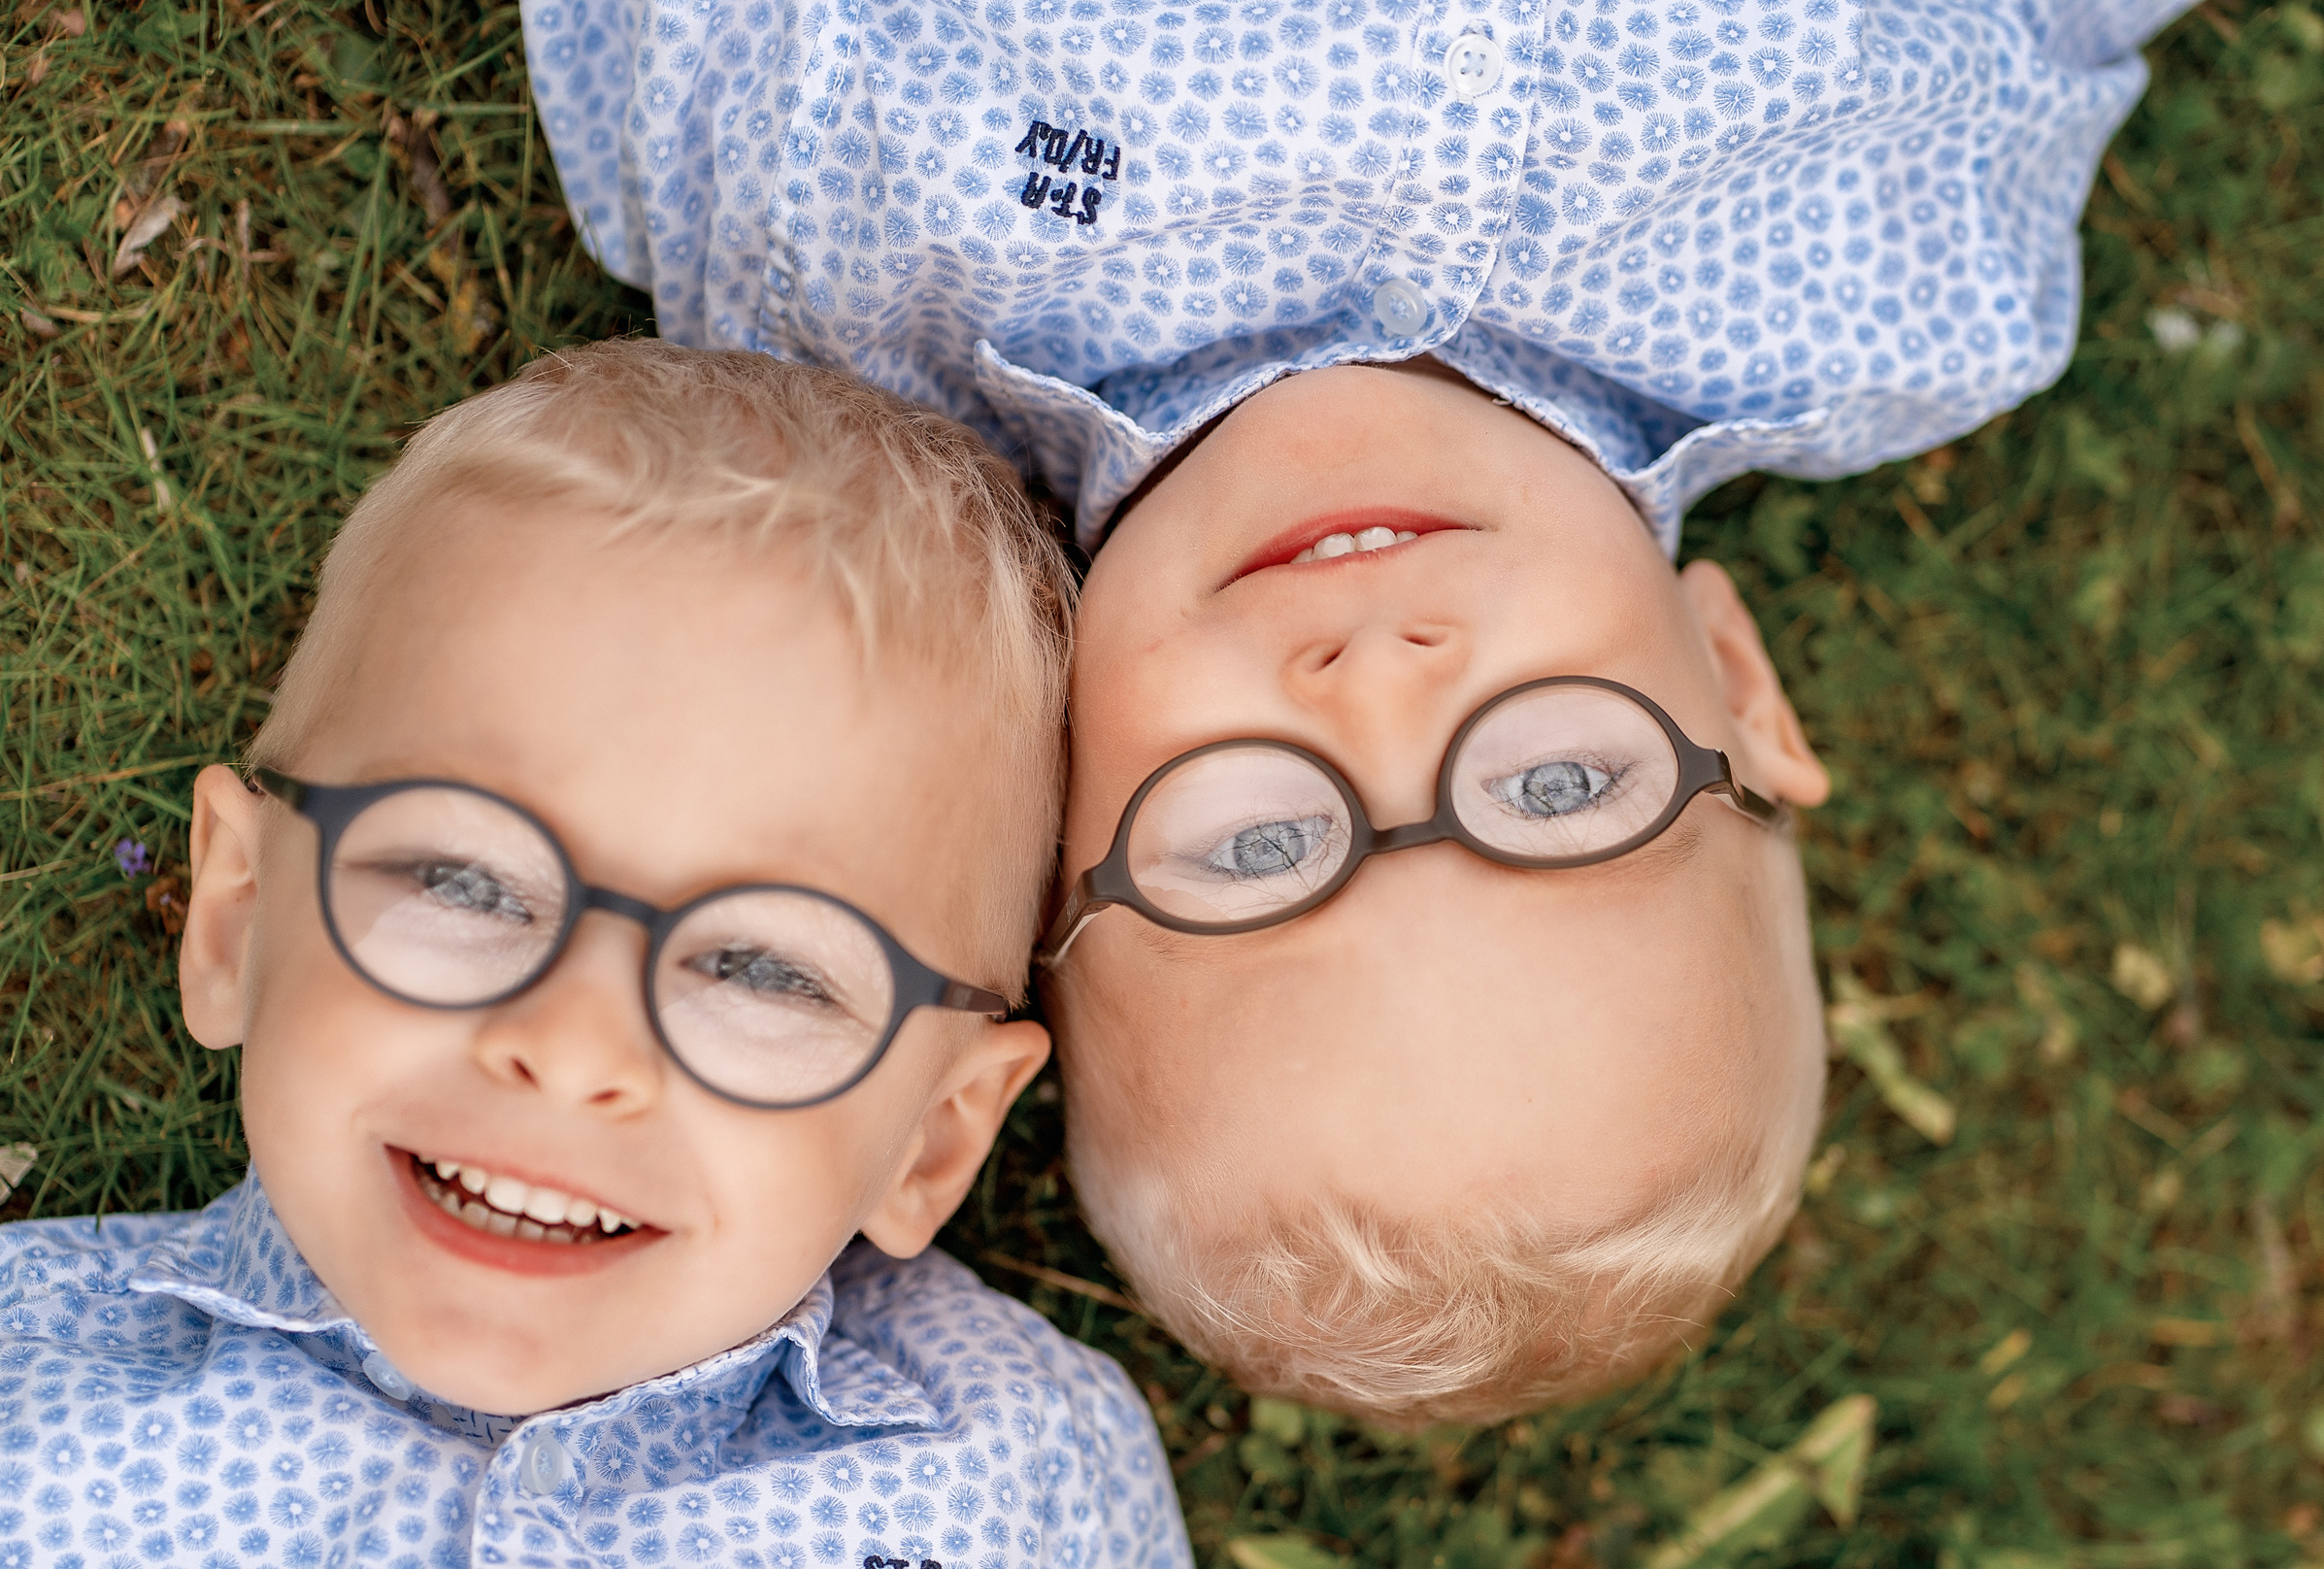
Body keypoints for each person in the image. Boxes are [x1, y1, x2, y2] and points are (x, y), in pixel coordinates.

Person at [523, 0, 2190, 1423]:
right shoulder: (1904, 285)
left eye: (1255, 840)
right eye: (1556, 787)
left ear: (1042, 832)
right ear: (1738, 691)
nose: (1379, 685)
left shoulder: (839, 254)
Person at [0, 342, 1231, 1569]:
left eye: (763, 968)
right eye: (462, 881)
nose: (569, 1052)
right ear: (237, 918)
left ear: (934, 1136)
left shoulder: (1020, 1485)